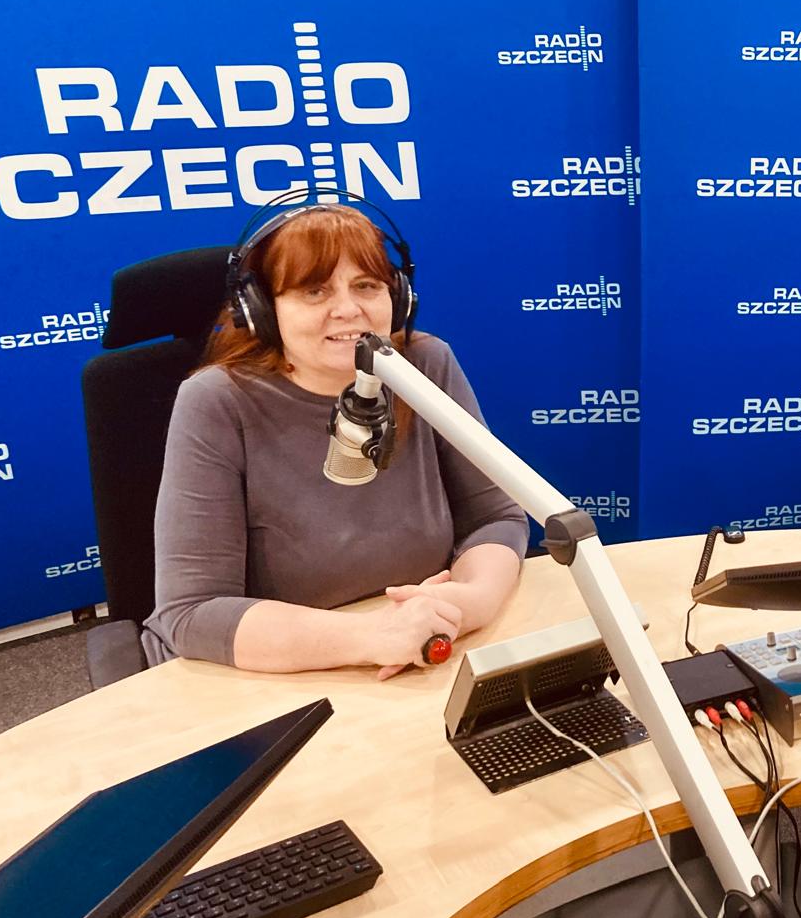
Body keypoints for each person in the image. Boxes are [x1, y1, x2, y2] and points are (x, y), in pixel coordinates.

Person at [142, 203, 528, 676]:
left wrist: (468, 604)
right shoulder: (218, 400)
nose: (348, 310)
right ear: (261, 310)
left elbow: (495, 518)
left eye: (366, 285)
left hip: (423, 652)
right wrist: (372, 636)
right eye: (314, 291)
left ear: (398, 297)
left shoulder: (424, 366)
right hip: (269, 676)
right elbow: (193, 612)